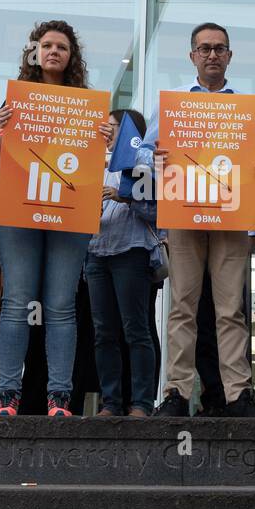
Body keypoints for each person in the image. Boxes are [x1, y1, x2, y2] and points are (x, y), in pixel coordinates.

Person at [0, 20, 111, 417]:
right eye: (46, 45)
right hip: (19, 213)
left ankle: (60, 396)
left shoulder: (87, 107)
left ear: (72, 57)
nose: (53, 51)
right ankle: (7, 395)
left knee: (61, 305)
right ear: (35, 53)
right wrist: (1, 131)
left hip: (68, 213)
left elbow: (94, 168)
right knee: (16, 303)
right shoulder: (15, 104)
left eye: (61, 46)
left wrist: (105, 139)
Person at [150, 21, 255, 418]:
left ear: (229, 56)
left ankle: (238, 396)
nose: (212, 54)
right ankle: (176, 394)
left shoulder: (245, 106)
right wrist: (155, 159)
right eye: (205, 48)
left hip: (231, 217)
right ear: (192, 56)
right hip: (183, 213)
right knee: (182, 306)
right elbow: (141, 154)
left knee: (230, 309)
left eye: (219, 48)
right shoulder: (174, 102)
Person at [87, 109, 159, 417]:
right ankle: (111, 402)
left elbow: (156, 212)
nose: (107, 131)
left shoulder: (143, 160)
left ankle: (141, 402)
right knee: (104, 331)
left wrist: (123, 196)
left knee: (135, 329)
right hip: (96, 251)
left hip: (131, 250)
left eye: (113, 126)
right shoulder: (93, 160)